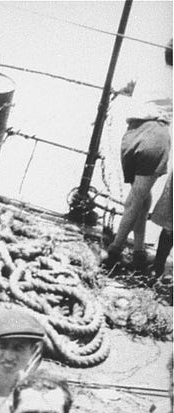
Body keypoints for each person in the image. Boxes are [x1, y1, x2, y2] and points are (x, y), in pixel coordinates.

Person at [102, 38, 172, 274]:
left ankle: (139, 251)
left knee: (140, 194)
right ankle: (114, 250)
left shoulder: (148, 71)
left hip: (131, 134)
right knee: (136, 199)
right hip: (155, 136)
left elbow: (126, 88)